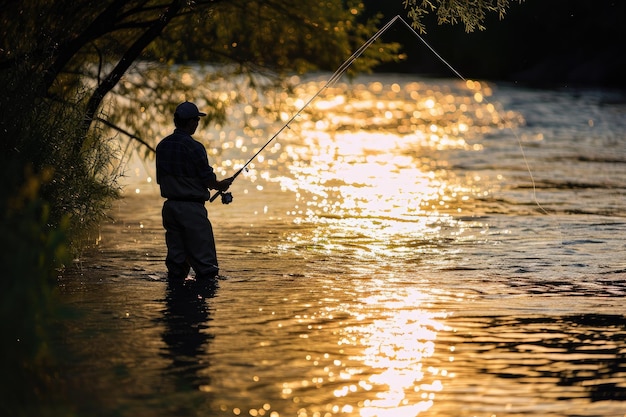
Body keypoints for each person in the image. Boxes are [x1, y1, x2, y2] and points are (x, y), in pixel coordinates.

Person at [155, 101, 233, 285]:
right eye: (197, 120)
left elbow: (161, 179)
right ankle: (202, 304)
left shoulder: (162, 146)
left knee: (177, 264)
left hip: (170, 208)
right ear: (190, 122)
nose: (197, 123)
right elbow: (208, 180)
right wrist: (221, 185)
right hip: (191, 210)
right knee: (206, 266)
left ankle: (175, 306)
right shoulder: (194, 147)